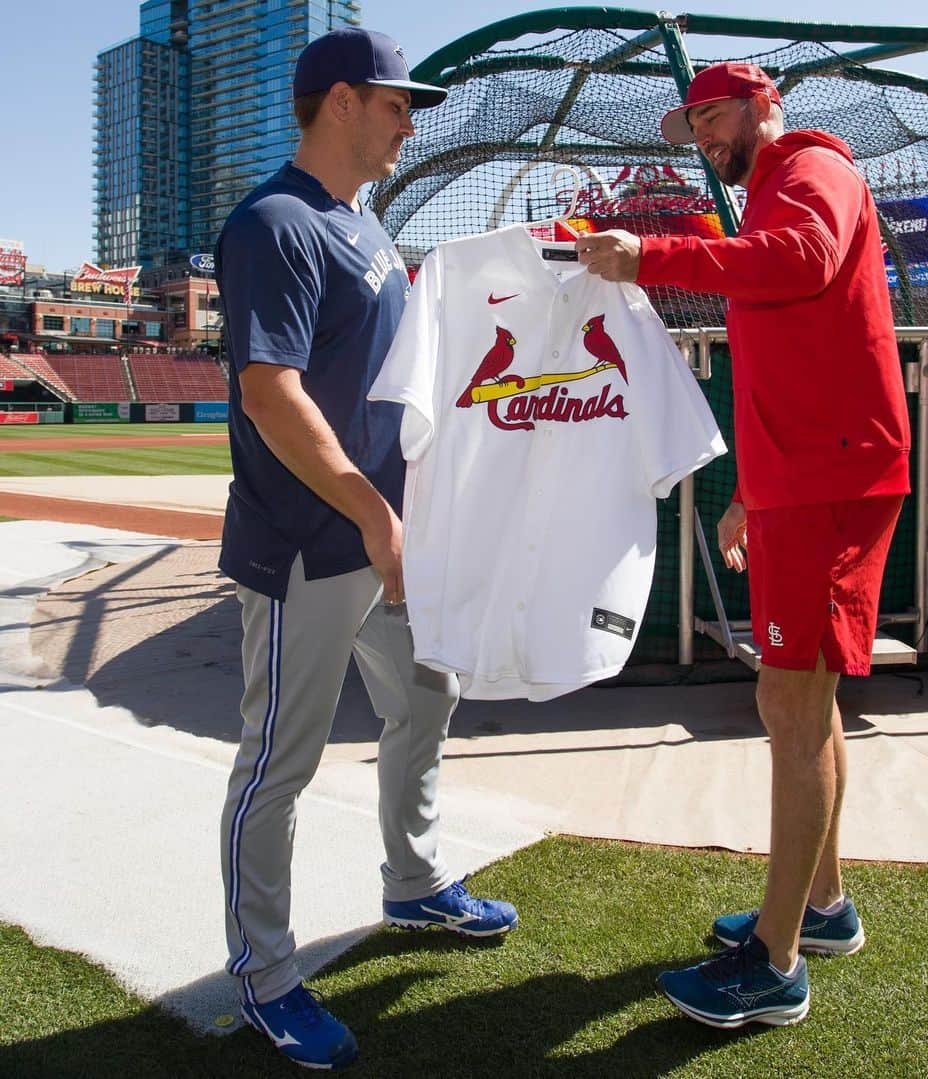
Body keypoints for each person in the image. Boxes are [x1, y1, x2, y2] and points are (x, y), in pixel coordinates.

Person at [577, 62, 910, 1028]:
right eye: (695, 125)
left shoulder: (813, 171)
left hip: (833, 479)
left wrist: (651, 253)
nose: (706, 136)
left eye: (715, 114)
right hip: (809, 474)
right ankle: (823, 908)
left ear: (764, 104)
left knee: (789, 700)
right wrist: (750, 495)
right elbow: (794, 344)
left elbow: (796, 263)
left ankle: (775, 963)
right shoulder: (772, 188)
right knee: (810, 696)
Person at [215, 28, 517, 1070]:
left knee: (425, 699)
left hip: (388, 533)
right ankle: (263, 973)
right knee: (278, 761)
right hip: (309, 538)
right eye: (398, 102)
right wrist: (368, 510)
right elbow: (271, 392)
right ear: (341, 100)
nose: (410, 120)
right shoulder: (273, 224)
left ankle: (416, 878)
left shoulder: (363, 222)